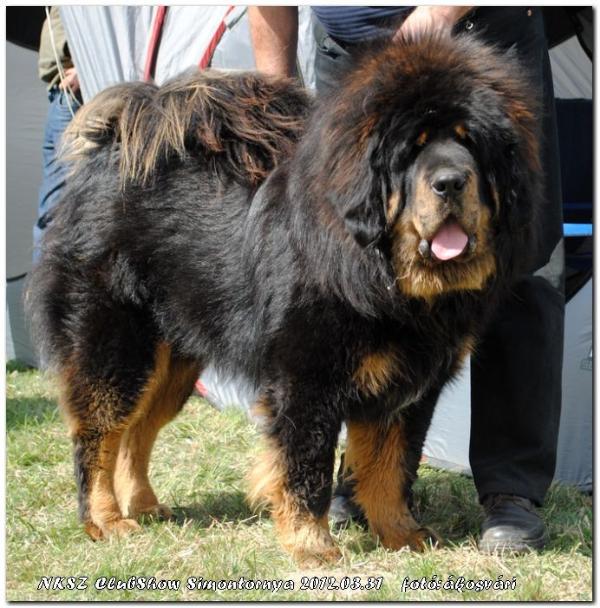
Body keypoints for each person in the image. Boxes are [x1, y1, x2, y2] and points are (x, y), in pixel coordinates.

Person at [249, 5, 565, 553]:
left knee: (518, 261)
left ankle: (510, 490)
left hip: (481, 36)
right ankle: (356, 484)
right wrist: (276, 93)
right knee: (340, 283)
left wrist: (439, 11)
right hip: (350, 52)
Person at [35, 7, 82, 261]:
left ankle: (50, 297)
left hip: (76, 94)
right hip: (61, 92)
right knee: (52, 209)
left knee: (58, 212)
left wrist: (85, 69)